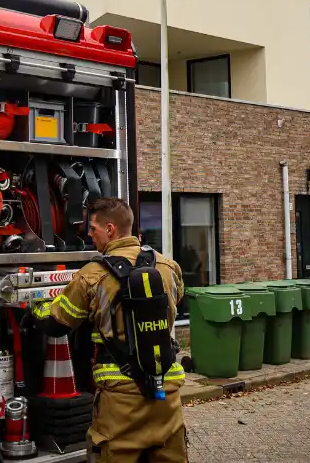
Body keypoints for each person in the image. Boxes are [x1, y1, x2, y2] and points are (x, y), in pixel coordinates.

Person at [32, 197, 187, 463]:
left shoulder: (92, 275)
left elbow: (58, 324)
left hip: (120, 402)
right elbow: (178, 300)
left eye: (93, 229)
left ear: (111, 229)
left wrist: (36, 309)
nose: (89, 235)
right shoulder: (168, 267)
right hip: (167, 394)